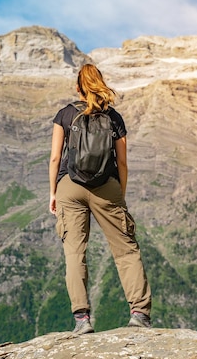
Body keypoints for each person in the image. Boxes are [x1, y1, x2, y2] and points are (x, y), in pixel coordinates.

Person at [48, 63, 152, 334]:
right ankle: (139, 313)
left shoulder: (65, 114)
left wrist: (53, 192)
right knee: (126, 250)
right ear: (100, 83)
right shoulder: (114, 117)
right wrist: (120, 194)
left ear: (78, 87)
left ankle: (82, 319)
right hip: (108, 187)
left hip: (69, 187)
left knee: (74, 252)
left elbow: (55, 158)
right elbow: (123, 162)